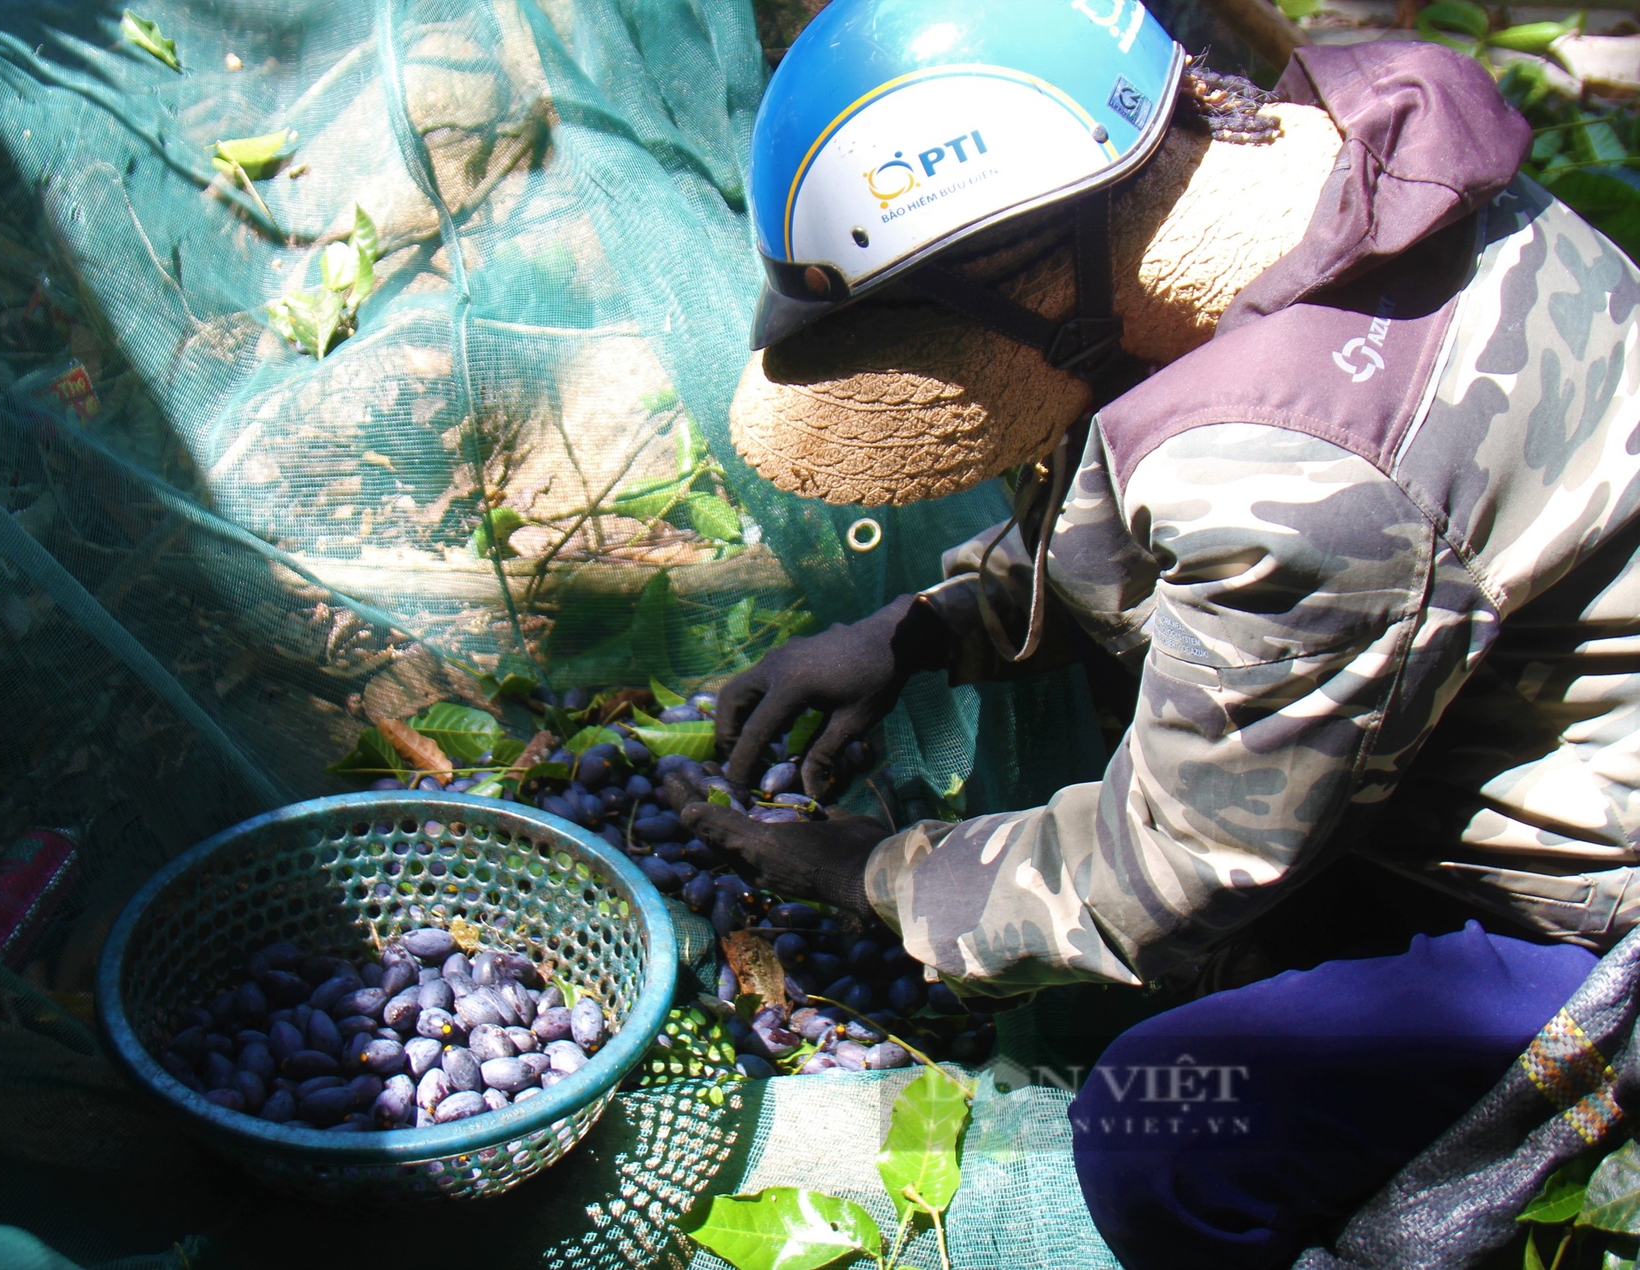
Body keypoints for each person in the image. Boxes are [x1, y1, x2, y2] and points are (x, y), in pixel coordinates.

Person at [664, 3, 1640, 1266]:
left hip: (1585, 898)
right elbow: (1141, 496)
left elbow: (1171, 867)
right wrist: (923, 629)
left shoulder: (1298, 480)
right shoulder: (1370, 163)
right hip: (1461, 706)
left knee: (1159, 1118)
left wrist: (875, 872)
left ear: (1054, 265)